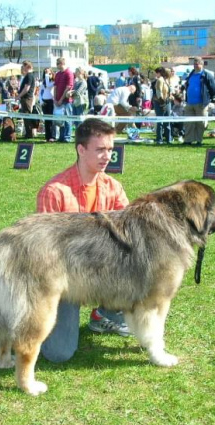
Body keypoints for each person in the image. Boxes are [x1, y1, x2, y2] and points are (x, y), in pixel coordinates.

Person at [36, 118, 131, 363]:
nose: (107, 156)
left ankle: (104, 314)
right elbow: (47, 252)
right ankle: (32, 321)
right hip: (65, 279)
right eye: (100, 149)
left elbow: (129, 234)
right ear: (81, 149)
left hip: (102, 270)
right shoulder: (54, 191)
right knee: (59, 354)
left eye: (110, 149)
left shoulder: (113, 187)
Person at [182, 56, 215, 145]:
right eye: (194, 64)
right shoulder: (191, 74)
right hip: (189, 103)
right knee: (189, 123)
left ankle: (198, 140)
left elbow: (213, 89)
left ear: (202, 64)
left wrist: (211, 100)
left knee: (200, 123)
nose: (196, 66)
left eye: (198, 64)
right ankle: (188, 140)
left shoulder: (207, 75)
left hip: (201, 103)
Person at [53, 57, 74, 143]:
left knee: (67, 119)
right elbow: (55, 87)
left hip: (66, 101)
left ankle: (67, 137)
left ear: (62, 63)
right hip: (58, 101)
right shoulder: (58, 74)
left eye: (57, 63)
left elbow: (68, 87)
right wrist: (55, 98)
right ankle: (61, 137)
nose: (56, 65)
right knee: (60, 120)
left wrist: (61, 99)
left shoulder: (69, 73)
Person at [18, 61, 37, 138]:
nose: (23, 68)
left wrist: (19, 95)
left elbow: (27, 88)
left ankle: (29, 133)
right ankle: (28, 133)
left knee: (27, 116)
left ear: (27, 66)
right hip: (25, 98)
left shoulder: (29, 76)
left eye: (24, 66)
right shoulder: (28, 76)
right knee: (26, 116)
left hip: (27, 98)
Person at [153, 67, 172, 144]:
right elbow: (158, 93)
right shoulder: (160, 80)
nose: (155, 74)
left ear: (159, 73)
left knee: (167, 121)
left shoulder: (165, 80)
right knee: (160, 122)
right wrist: (162, 103)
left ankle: (168, 139)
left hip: (167, 102)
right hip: (160, 102)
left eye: (156, 72)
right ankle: (159, 139)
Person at [40, 67, 56, 142]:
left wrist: (47, 77)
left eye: (49, 73)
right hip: (44, 100)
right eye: (45, 73)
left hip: (51, 100)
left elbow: (48, 86)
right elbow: (41, 91)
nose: (47, 75)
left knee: (51, 119)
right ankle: (47, 136)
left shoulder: (53, 82)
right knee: (46, 120)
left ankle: (52, 136)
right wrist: (41, 101)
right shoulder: (43, 82)